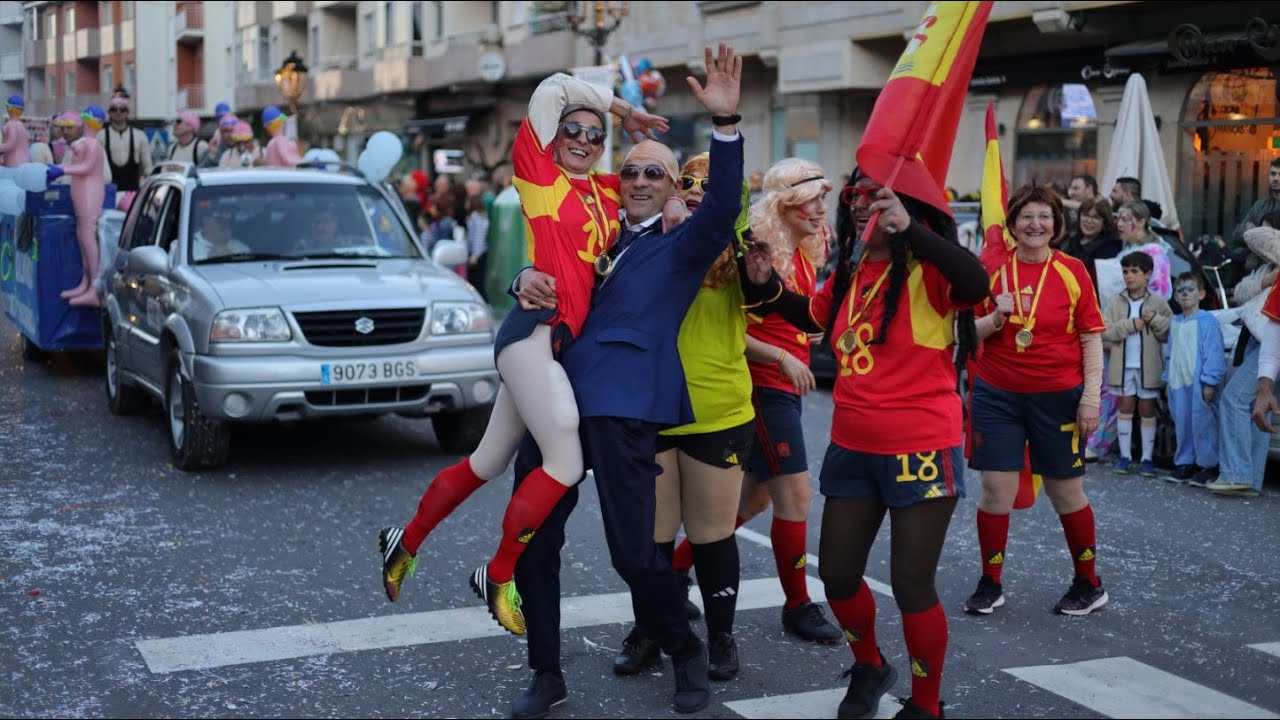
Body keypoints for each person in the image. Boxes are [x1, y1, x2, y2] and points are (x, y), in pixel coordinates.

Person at [375, 59, 670, 638]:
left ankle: (403, 539)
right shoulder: (539, 174)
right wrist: (620, 108)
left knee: (486, 462)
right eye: (573, 131)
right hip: (533, 334)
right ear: (553, 138)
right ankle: (498, 572)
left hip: (557, 346)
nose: (584, 140)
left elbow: (654, 191)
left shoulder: (608, 191)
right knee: (565, 462)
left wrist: (678, 200)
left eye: (595, 135)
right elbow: (554, 86)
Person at [502, 43, 743, 719]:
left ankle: (684, 648)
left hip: (623, 403)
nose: (638, 178)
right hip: (554, 395)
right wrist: (521, 281)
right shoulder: (606, 228)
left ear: (672, 188)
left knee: (634, 554)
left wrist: (725, 128)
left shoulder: (684, 244)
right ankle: (546, 672)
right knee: (533, 538)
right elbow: (555, 272)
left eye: (654, 173)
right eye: (630, 168)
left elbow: (723, 204)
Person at [739, 167, 989, 720]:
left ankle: (927, 705)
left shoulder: (928, 269)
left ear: (908, 210)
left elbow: (976, 284)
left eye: (873, 198)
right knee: (839, 575)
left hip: (921, 447)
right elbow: (813, 317)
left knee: (911, 585)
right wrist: (766, 288)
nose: (856, 206)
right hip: (852, 446)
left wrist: (914, 233)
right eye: (853, 197)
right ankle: (870, 665)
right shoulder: (853, 269)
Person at [671, 157, 843, 645]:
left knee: (756, 497)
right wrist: (782, 357)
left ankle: (678, 568)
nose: (819, 208)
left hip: (784, 386)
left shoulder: (805, 248)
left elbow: (809, 319)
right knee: (795, 497)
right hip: (760, 383)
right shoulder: (755, 250)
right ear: (786, 203)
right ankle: (797, 605)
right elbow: (729, 328)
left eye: (822, 198)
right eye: (811, 198)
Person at [610, 154, 753, 683]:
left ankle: (720, 637)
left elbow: (771, 301)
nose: (694, 190)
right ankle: (651, 629)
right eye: (686, 182)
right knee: (653, 537)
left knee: (713, 534)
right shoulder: (645, 239)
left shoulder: (743, 249)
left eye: (707, 185)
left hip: (717, 410)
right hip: (650, 408)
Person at [965, 183, 1109, 619]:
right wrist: (995, 317)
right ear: (1012, 224)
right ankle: (990, 583)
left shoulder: (1072, 270)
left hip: (1058, 398)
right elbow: (963, 335)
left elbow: (1091, 338)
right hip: (997, 394)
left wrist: (1090, 398)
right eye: (1027, 216)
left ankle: (1089, 583)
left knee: (1067, 494)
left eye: (1044, 217)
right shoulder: (989, 267)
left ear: (1056, 225)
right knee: (995, 492)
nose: (1035, 224)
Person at [1215, 218, 1280, 497]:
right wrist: (1266, 280)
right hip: (1261, 341)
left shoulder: (1272, 245)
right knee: (1257, 407)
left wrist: (1263, 228)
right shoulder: (1266, 267)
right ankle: (1250, 479)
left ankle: (1236, 475)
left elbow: (1254, 236)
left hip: (1270, 341)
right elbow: (1241, 293)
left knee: (1233, 399)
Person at [1101, 252, 1172, 477]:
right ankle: (1124, 457)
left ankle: (1147, 459)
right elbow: (1105, 330)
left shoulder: (1158, 302)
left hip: (1149, 366)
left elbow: (1170, 331)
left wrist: (1155, 320)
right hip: (1122, 366)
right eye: (1125, 272)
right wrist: (1130, 325)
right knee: (1125, 406)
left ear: (1148, 274)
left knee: (1147, 408)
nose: (1129, 277)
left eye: (1134, 272)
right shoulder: (1116, 300)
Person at [1162, 271, 1226, 484]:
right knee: (1182, 423)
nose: (1185, 294)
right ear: (1175, 296)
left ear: (1201, 294)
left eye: (1190, 290)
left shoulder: (1207, 322)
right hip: (1178, 384)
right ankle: (1185, 463)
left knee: (1203, 425)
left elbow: (1214, 353)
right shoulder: (1176, 322)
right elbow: (1170, 353)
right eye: (1180, 291)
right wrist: (1167, 378)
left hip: (1199, 385)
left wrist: (1209, 382)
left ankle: (1208, 465)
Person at [1229, 157, 1280, 274]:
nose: (1276, 178)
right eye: (1273, 174)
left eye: (1279, 174)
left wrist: (1256, 232)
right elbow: (1237, 234)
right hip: (1257, 271)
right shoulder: (1260, 206)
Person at [1115, 200, 1171, 299]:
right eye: (1118, 219)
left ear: (1141, 222)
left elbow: (1161, 291)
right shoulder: (1125, 250)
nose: (1119, 224)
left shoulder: (1154, 252)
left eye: (1124, 220)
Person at [97, 94, 153, 192]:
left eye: (122, 109)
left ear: (127, 113)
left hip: (133, 193)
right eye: (114, 109)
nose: (118, 112)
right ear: (109, 113)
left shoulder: (140, 136)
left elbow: (148, 167)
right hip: (108, 193)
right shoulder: (100, 136)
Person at [463, 193, 489, 297]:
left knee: (475, 281)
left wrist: (475, 255)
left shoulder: (475, 216)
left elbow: (478, 236)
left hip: (477, 254)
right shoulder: (481, 216)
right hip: (481, 253)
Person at [0, 94, 30, 167]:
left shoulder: (11, 124)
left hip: (14, 162)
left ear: (9, 108)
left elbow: (11, 144)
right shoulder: (21, 125)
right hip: (23, 160)